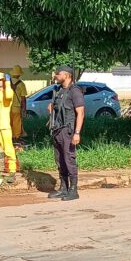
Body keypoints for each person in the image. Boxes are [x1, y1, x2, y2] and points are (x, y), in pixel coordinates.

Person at [47, 65, 85, 201]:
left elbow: (80, 113)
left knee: (69, 159)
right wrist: (52, 109)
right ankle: (63, 188)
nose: (55, 76)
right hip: (57, 130)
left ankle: (73, 190)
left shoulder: (75, 91)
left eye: (58, 74)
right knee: (60, 160)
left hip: (68, 131)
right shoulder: (59, 91)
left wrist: (77, 133)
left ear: (66, 75)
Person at [9, 65, 28, 143]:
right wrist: (24, 108)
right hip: (16, 107)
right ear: (19, 74)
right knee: (17, 123)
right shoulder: (21, 84)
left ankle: (9, 137)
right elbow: (23, 98)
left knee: (9, 122)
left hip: (7, 107)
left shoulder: (7, 82)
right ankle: (16, 138)